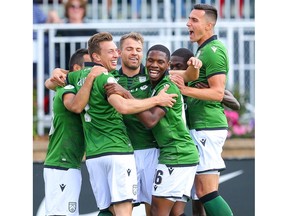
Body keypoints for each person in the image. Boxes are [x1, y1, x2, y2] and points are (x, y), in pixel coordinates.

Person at [48, 32, 178, 216]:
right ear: (97, 56)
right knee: (125, 208)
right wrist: (157, 99)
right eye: (124, 49)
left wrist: (55, 73)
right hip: (118, 150)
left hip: (105, 153)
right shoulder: (109, 77)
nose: (118, 54)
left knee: (111, 209)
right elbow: (123, 107)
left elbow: (54, 82)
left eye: (139, 50)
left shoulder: (152, 75)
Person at [170, 4, 234, 215]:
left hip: (207, 126)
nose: (188, 23)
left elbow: (217, 93)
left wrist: (185, 90)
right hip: (201, 126)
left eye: (194, 20)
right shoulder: (203, 50)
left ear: (209, 25)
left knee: (206, 191)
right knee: (199, 194)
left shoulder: (213, 51)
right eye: (189, 19)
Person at [127, 44, 201, 216]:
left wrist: (128, 97)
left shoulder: (168, 87)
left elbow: (151, 120)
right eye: (151, 60)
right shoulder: (155, 85)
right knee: (174, 213)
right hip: (179, 153)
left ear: (167, 66)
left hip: (177, 154)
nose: (154, 65)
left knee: (157, 211)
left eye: (160, 62)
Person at [43, 48, 103, 216]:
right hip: (61, 163)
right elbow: (75, 107)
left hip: (69, 162)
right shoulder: (67, 87)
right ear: (77, 69)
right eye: (89, 66)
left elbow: (49, 82)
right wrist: (90, 77)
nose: (94, 70)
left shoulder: (75, 86)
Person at [55, 0, 99, 69]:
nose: (76, 9)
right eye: (72, 6)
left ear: (84, 10)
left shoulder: (92, 30)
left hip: (88, 70)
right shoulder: (61, 29)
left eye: (80, 7)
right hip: (66, 70)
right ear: (67, 9)